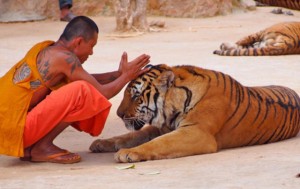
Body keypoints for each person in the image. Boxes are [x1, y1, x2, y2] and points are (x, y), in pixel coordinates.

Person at [0, 16, 150, 164]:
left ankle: (32, 146)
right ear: (78, 42)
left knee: (78, 87)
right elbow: (101, 92)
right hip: (13, 132)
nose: (91, 52)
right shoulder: (65, 58)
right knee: (81, 91)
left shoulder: (49, 50)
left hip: (9, 129)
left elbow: (87, 78)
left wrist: (118, 74)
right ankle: (41, 147)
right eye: (92, 45)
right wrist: (127, 77)